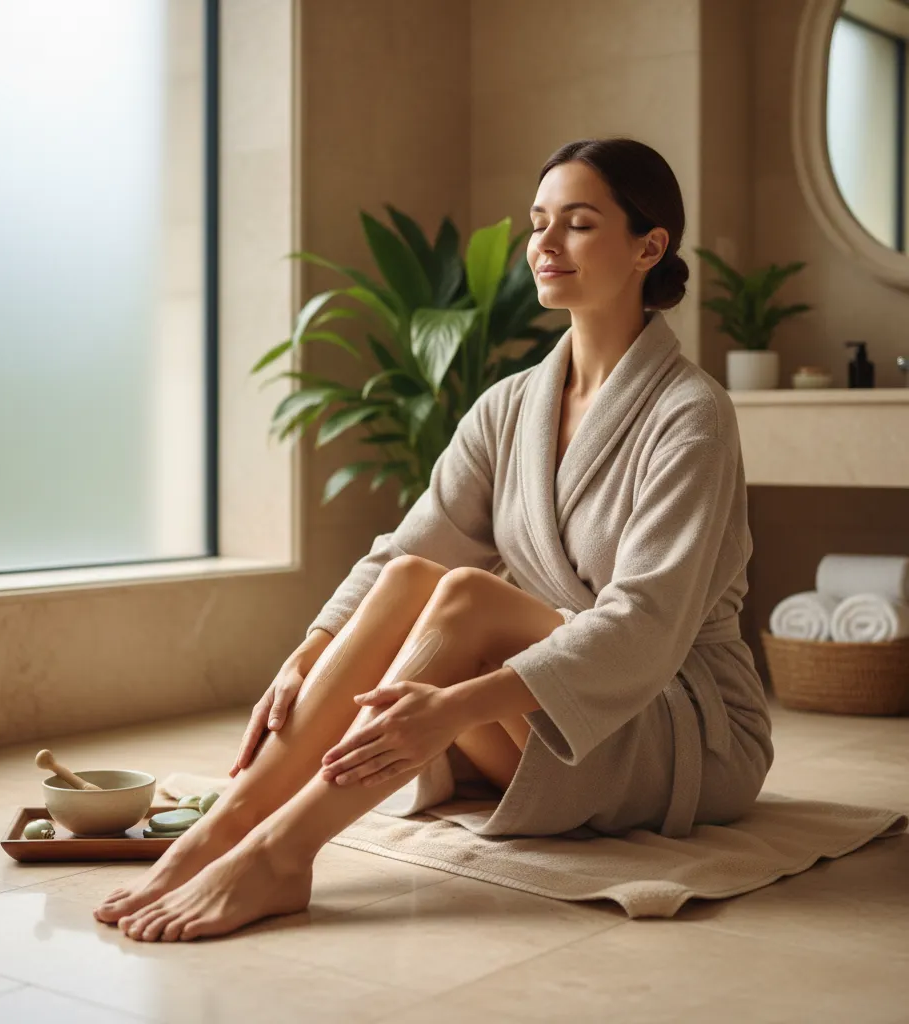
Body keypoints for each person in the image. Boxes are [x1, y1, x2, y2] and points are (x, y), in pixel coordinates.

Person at [93, 136, 773, 942]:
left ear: (648, 246)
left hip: (684, 726)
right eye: (538, 222)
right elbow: (405, 551)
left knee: (466, 595)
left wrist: (452, 707)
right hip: (544, 713)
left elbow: (646, 625)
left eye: (579, 224)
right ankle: (229, 825)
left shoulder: (690, 414)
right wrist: (310, 649)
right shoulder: (510, 405)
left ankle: (284, 850)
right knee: (420, 576)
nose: (545, 246)